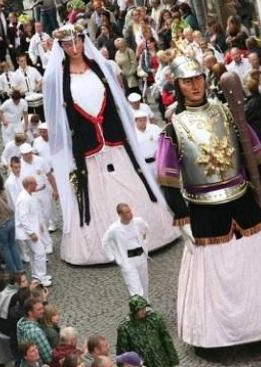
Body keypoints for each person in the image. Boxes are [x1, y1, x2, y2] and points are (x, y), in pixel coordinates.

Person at [155, 55, 261, 347]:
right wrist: (183, 218)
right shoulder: (173, 129)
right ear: (177, 85)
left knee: (260, 260)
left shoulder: (228, 114)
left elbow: (253, 153)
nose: (194, 86)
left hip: (241, 198)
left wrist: (259, 192)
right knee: (218, 270)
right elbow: (166, 178)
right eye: (187, 81)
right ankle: (226, 329)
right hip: (203, 207)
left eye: (198, 79)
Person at [44, 24, 178, 265]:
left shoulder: (100, 69)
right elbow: (58, 119)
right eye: (68, 44)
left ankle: (148, 231)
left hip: (114, 140)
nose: (74, 48)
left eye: (78, 42)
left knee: (132, 185)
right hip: (88, 146)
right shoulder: (57, 78)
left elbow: (117, 102)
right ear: (61, 48)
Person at [101, 203, 150, 299]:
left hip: (141, 258)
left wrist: (145, 243)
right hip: (127, 261)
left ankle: (147, 308)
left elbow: (146, 229)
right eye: (127, 212)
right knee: (135, 288)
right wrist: (113, 257)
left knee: (144, 284)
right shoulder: (114, 229)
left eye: (130, 211)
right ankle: (139, 311)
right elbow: (105, 242)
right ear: (120, 215)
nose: (130, 214)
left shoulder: (138, 221)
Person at [116, 295, 177, 367]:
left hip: (161, 361)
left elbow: (166, 338)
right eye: (140, 309)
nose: (144, 311)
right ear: (134, 310)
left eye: (144, 308)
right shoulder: (125, 328)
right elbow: (123, 352)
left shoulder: (154, 318)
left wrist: (172, 359)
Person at [15, 176, 52, 287]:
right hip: (29, 234)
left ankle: (37, 275)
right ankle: (40, 278)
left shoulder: (28, 195)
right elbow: (23, 218)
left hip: (32, 231)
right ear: (29, 185)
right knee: (40, 253)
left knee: (33, 254)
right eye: (35, 184)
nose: (36, 185)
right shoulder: (24, 198)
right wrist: (31, 232)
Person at [17, 298, 53, 364]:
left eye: (42, 308)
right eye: (39, 309)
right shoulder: (36, 332)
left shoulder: (21, 322)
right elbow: (49, 357)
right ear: (30, 313)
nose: (43, 311)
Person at [133, 110, 162, 178]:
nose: (142, 122)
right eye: (140, 120)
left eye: (144, 120)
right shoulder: (132, 133)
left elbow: (164, 141)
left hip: (157, 162)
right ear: (136, 121)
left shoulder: (154, 128)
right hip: (144, 165)